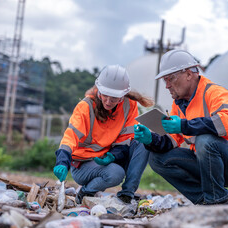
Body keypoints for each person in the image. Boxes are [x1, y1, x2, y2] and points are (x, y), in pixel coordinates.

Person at [134, 49, 228, 205]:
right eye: (164, 80)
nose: (167, 86)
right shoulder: (178, 105)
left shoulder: (216, 93)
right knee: (157, 159)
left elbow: (227, 123)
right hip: (208, 163)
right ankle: (203, 200)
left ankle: (217, 201)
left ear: (188, 74)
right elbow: (171, 141)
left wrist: (183, 125)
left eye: (170, 78)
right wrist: (151, 139)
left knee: (205, 140)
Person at [53, 65, 154, 204]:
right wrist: (62, 161)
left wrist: (113, 156)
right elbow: (70, 136)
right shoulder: (85, 107)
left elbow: (127, 140)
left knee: (143, 140)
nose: (108, 101)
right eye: (105, 95)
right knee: (116, 174)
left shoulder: (129, 105)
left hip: (107, 159)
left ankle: (126, 195)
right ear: (98, 90)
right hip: (83, 165)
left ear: (122, 96)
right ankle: (85, 192)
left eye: (114, 98)